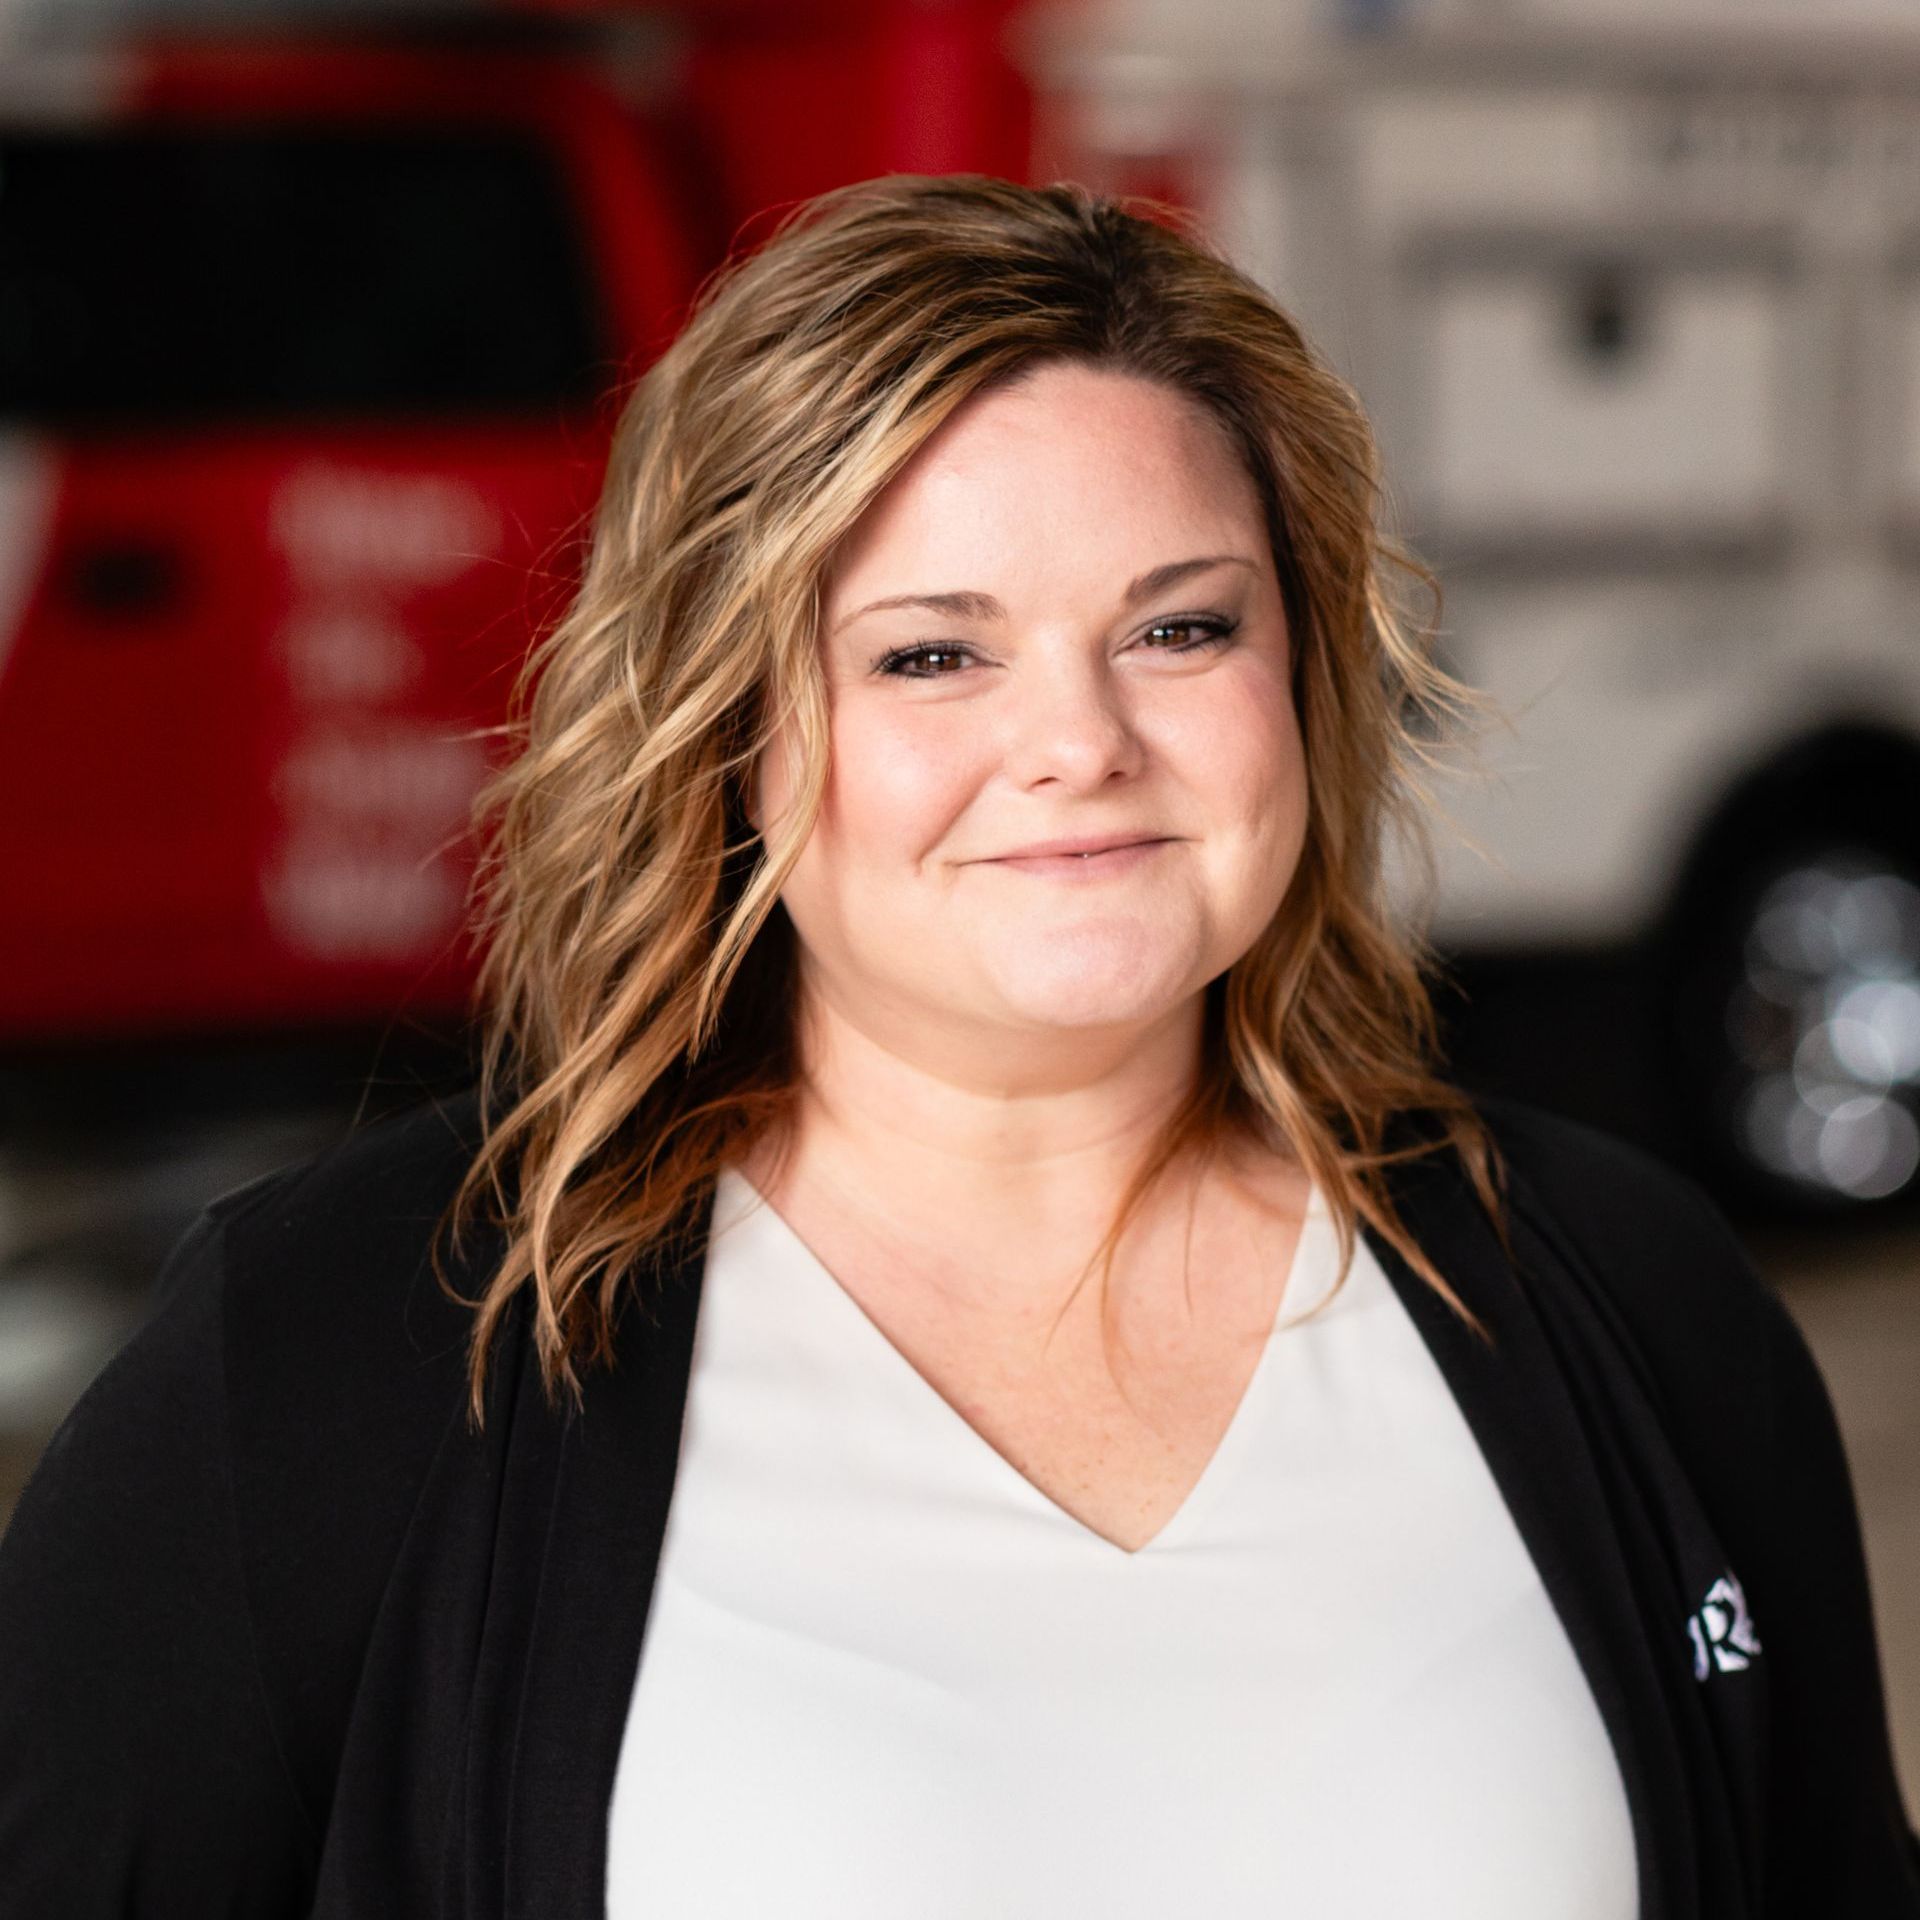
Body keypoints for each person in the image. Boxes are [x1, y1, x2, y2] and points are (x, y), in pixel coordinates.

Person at [0, 173, 1914, 1920]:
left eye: (1179, 631)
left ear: (1306, 677)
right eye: (931, 652)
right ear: (726, 731)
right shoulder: (330, 1369)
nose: (1080, 740)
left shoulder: (1638, 1312)